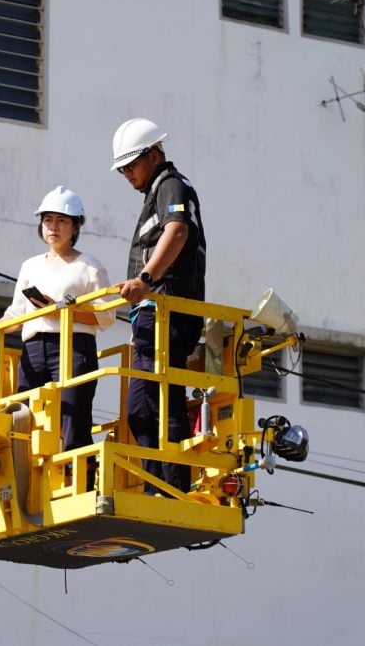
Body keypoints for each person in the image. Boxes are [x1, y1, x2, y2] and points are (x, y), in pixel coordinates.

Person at [0, 186, 114, 471]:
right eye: (48, 220)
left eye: (62, 221)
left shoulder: (90, 267)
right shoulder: (30, 266)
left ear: (76, 226)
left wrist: (63, 310)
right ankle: (32, 483)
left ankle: (80, 482)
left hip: (73, 347)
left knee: (73, 416)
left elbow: (105, 315)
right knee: (27, 416)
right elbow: (18, 314)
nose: (53, 227)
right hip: (34, 348)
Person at [111, 118, 206, 495]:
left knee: (160, 402)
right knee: (144, 407)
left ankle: (170, 487)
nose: (127, 175)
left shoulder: (170, 184)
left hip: (166, 310)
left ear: (154, 155)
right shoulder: (157, 191)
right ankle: (158, 486)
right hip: (153, 315)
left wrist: (145, 279)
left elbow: (177, 231)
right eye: (122, 170)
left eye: (131, 166)